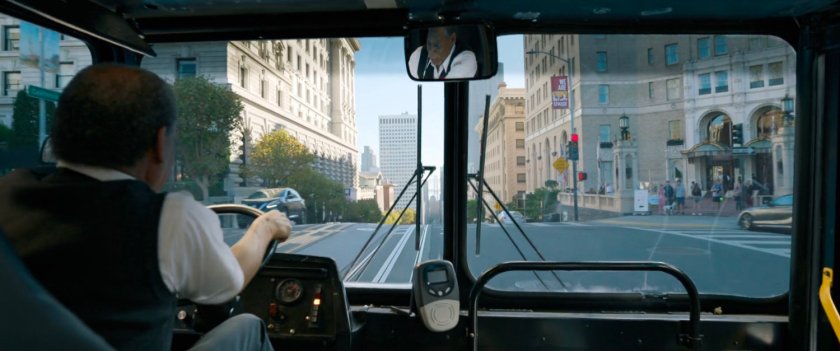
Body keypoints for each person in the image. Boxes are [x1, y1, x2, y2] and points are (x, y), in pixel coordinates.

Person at [0, 64, 290, 351]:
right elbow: (229, 281)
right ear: (160, 142)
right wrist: (264, 227)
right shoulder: (170, 218)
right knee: (248, 326)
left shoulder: (8, 191)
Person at [408, 26, 478, 79]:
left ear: (452, 39)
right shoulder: (418, 55)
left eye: (437, 46)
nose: (430, 55)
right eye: (429, 44)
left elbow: (448, 86)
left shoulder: (467, 59)